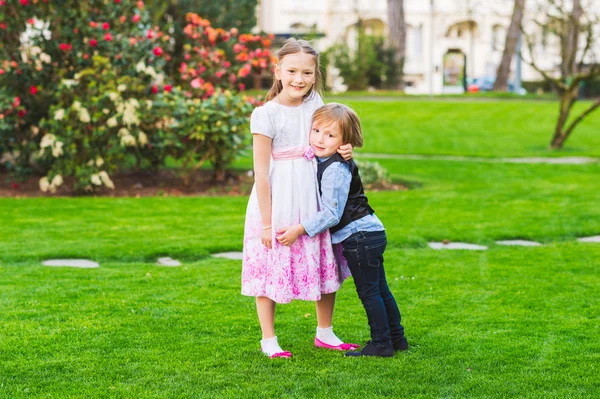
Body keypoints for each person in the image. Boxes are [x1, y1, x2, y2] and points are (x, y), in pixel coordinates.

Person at [241, 39, 358, 359]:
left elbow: (329, 136)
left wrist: (343, 149)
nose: (299, 79)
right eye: (292, 71)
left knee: (324, 260)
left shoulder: (315, 103)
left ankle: (326, 332)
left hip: (312, 194)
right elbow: (261, 174)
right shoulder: (265, 115)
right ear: (277, 71)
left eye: (307, 72)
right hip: (278, 198)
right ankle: (269, 339)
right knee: (270, 266)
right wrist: (267, 223)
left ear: (315, 74)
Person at [276, 103, 409, 357]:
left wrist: (299, 229)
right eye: (316, 131)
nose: (320, 139)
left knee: (370, 292)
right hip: (369, 232)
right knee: (380, 289)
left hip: (359, 237)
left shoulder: (335, 168)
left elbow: (331, 213)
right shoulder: (328, 159)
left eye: (330, 135)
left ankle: (381, 343)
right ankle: (396, 337)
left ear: (344, 141)